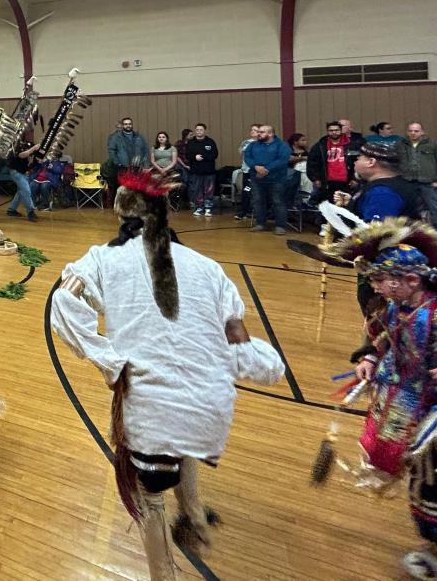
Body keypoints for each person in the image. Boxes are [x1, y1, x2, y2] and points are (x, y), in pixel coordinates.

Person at [50, 169, 284, 580]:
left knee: (147, 497)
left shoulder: (102, 259)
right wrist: (259, 366)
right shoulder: (209, 268)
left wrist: (110, 361)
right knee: (183, 438)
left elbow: (62, 304)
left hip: (149, 408)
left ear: (122, 213)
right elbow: (240, 343)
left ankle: (165, 574)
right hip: (210, 410)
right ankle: (192, 515)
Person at [323, 221, 437, 580]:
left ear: (412, 280)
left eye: (383, 280)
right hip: (417, 412)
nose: (376, 287)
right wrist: (370, 359)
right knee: (429, 483)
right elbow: (385, 338)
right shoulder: (396, 309)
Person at [332, 141, 422, 316]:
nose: (355, 162)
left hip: (386, 273)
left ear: (371, 162)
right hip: (398, 267)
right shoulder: (393, 185)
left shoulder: (383, 192)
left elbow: (375, 235)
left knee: (381, 322)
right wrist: (351, 204)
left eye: (358, 158)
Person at [402, 122, 437, 237]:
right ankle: (410, 235)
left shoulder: (433, 144)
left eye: (416, 131)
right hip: (408, 182)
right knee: (408, 208)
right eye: (410, 131)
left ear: (422, 132)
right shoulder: (402, 145)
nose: (413, 133)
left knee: (436, 209)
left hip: (428, 182)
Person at [244, 125, 291, 234]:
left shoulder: (281, 145)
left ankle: (280, 226)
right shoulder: (253, 145)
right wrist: (255, 166)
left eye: (261, 132)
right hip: (257, 179)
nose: (258, 134)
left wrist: (266, 169)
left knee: (278, 201)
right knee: (258, 201)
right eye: (258, 132)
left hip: (276, 179)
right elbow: (247, 157)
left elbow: (282, 160)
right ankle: (260, 223)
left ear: (270, 134)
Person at [307, 121, 351, 205]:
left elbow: (355, 161)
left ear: (341, 130)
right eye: (331, 130)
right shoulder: (320, 145)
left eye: (336, 130)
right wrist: (315, 178)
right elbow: (312, 163)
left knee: (345, 206)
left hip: (346, 181)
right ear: (327, 131)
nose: (334, 132)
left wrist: (355, 178)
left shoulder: (349, 145)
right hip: (327, 181)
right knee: (328, 206)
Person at [107, 117, 149, 198]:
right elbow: (112, 151)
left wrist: (145, 164)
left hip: (137, 167)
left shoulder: (139, 137)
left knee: (137, 188)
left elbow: (146, 150)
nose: (128, 126)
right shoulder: (116, 137)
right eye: (126, 124)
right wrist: (117, 163)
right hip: (123, 167)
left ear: (132, 125)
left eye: (129, 124)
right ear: (122, 126)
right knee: (123, 189)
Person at [184, 124, 218, 217]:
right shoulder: (191, 142)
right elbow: (187, 155)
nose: (199, 131)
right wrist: (195, 157)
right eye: (197, 129)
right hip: (196, 171)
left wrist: (204, 157)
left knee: (209, 190)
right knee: (197, 190)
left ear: (204, 131)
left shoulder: (210, 142)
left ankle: (208, 208)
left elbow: (215, 154)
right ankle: (199, 207)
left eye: (201, 129)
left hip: (209, 171)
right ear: (195, 131)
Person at [5, 140, 41, 222]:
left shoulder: (33, 147)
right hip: (16, 172)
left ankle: (11, 209)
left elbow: (33, 162)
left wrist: (38, 160)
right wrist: (33, 149)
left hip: (24, 173)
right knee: (26, 190)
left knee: (21, 192)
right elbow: (21, 155)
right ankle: (30, 212)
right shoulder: (18, 145)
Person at [285, 133, 309, 208]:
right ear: (295, 142)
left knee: (306, 192)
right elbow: (288, 159)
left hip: (306, 175)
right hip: (292, 176)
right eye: (302, 140)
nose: (305, 142)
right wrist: (302, 158)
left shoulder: (306, 152)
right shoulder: (288, 150)